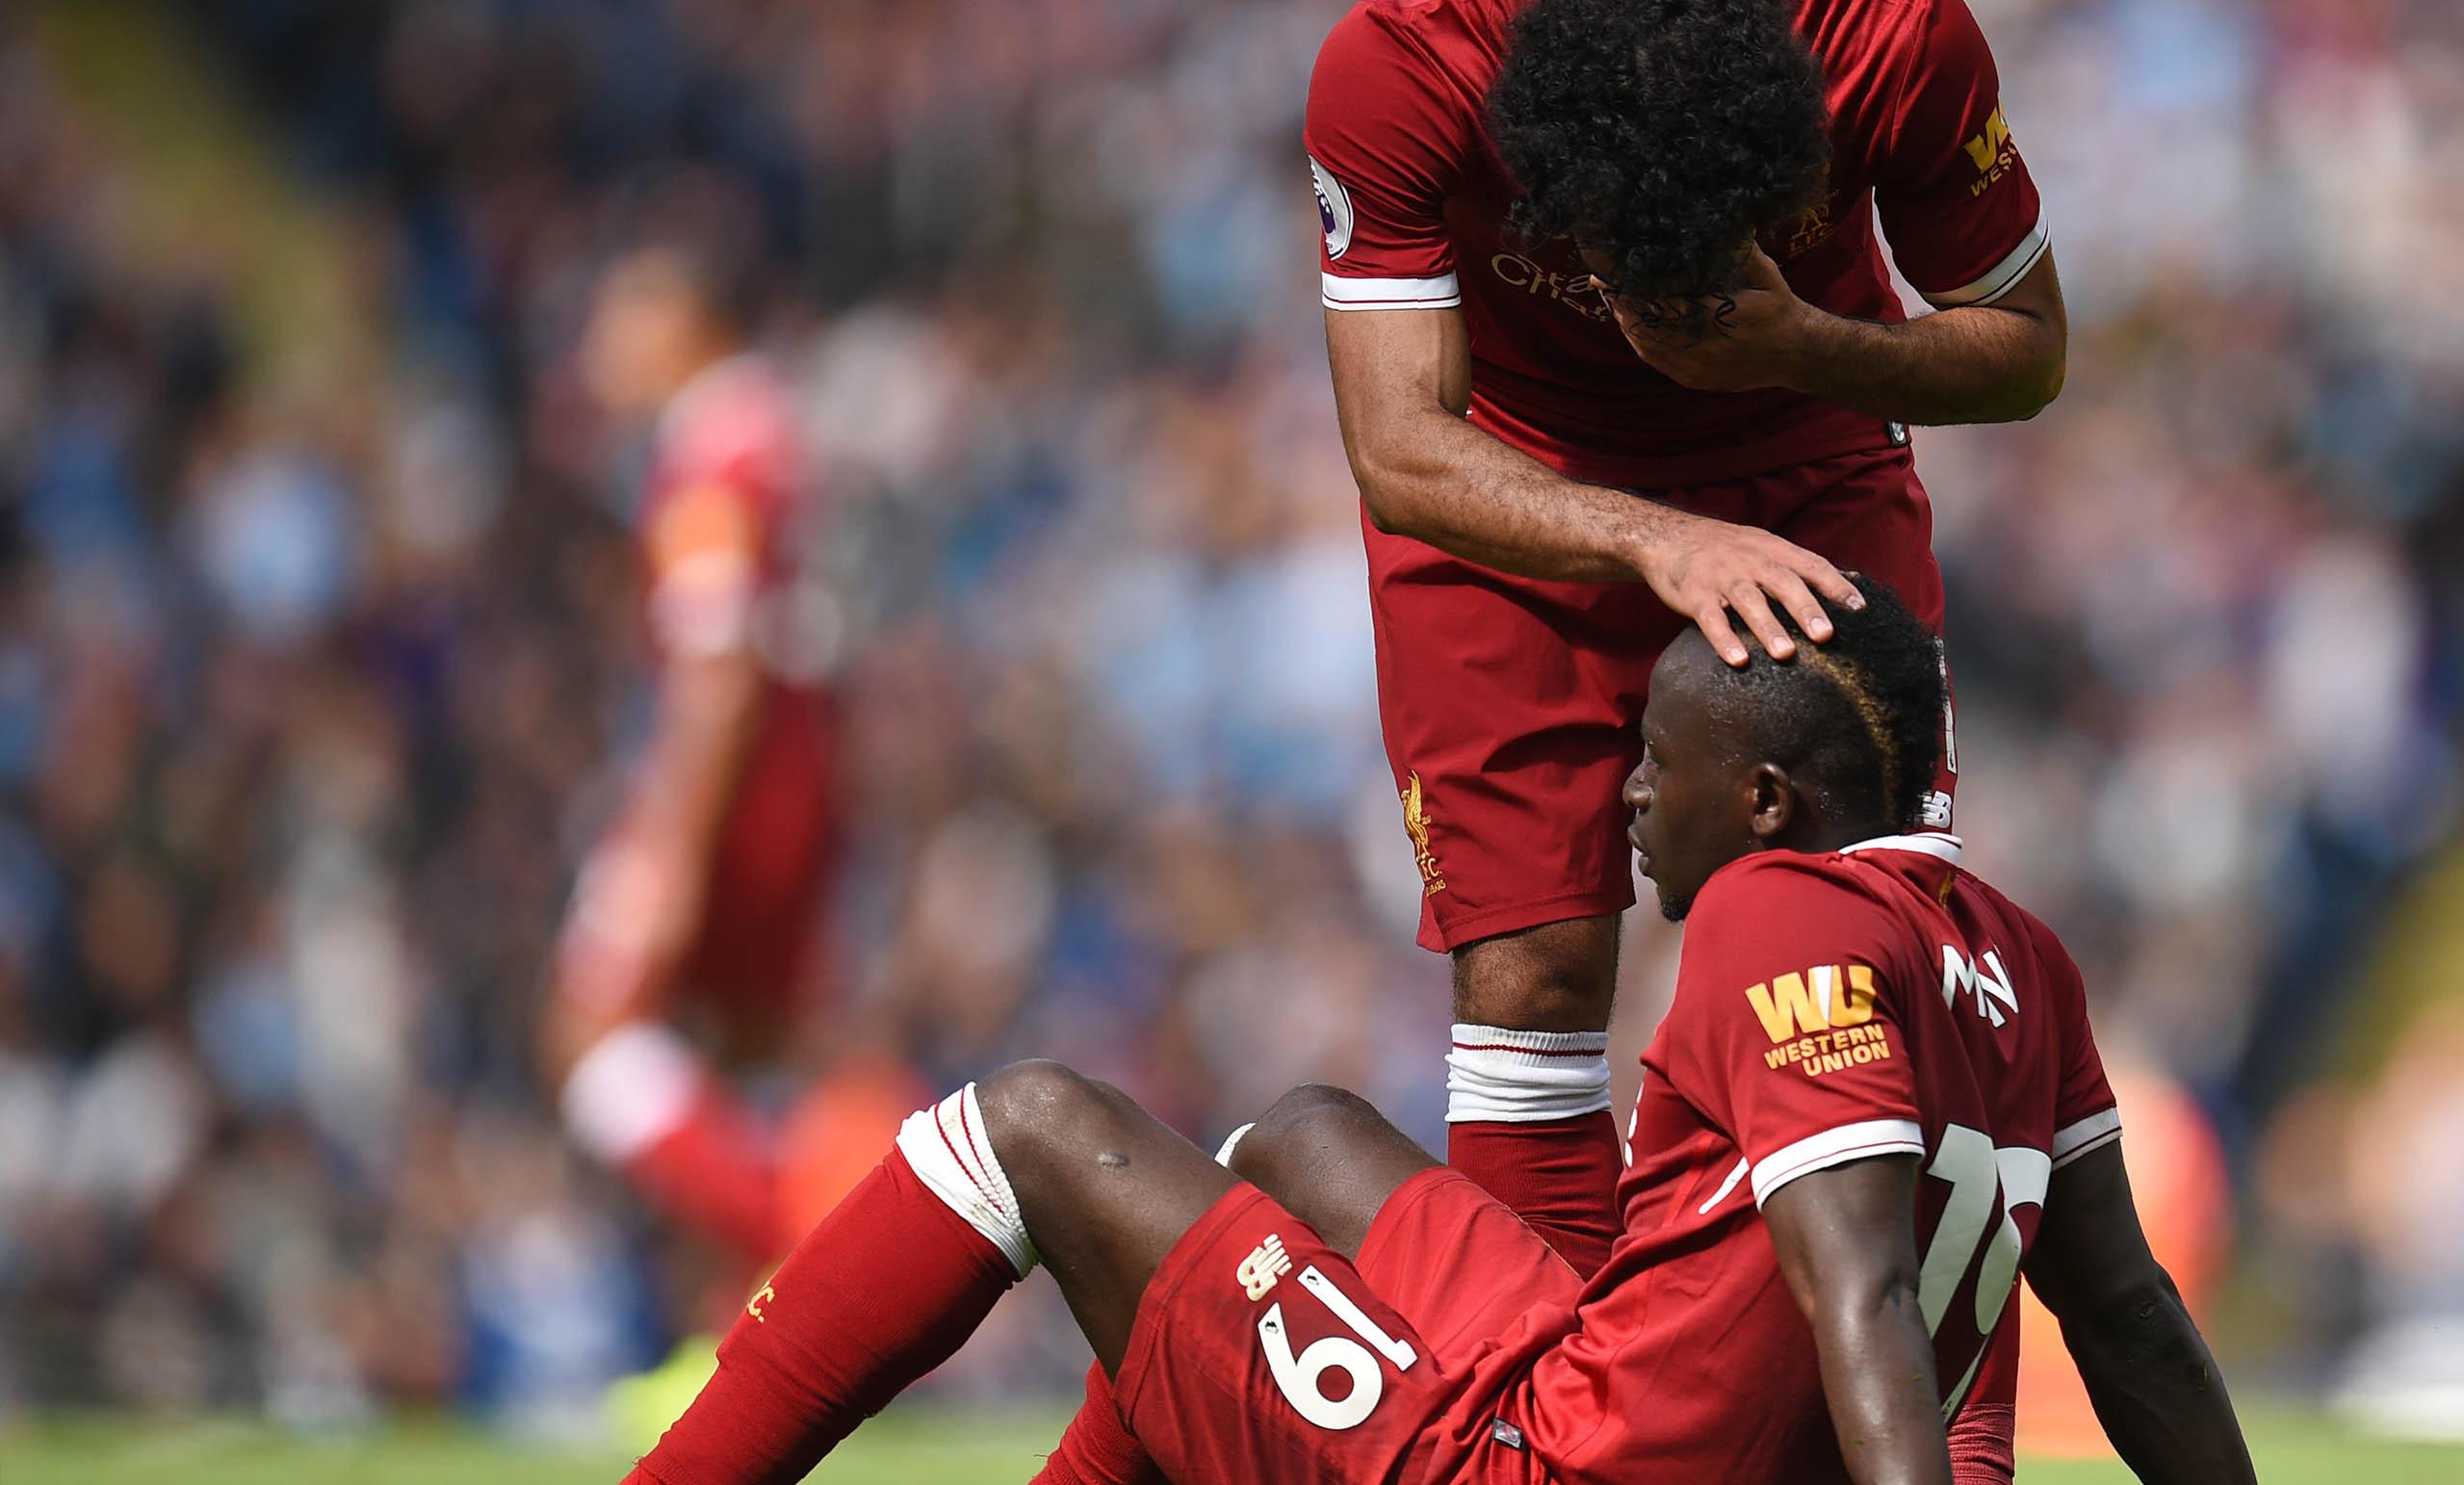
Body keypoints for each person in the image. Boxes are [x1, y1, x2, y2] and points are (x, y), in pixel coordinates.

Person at [621, 584, 2253, 1485]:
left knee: (1030, 1122)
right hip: (1612, 1389)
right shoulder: (2022, 956)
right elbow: (2131, 1319)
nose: (1626, 792)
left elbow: (1865, 1291)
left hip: (1561, 1474)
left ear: (1765, 800)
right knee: (1303, 1137)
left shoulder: (1776, 910)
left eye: (1657, 758)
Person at [1309, 0, 2066, 1280]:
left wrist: (1804, 342)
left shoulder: (1893, 31)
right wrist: (1659, 539)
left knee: (1863, 945)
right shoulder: (1399, 67)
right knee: (1529, 976)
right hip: (1516, 487)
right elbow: (1400, 447)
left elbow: (2026, 347)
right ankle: (1549, 1423)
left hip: (1807, 449)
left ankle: (1876, 1418)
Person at [545, 229, 850, 1276]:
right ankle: (735, 1343)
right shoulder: (774, 432)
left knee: (592, 1033)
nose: (601, 344)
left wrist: (669, 842)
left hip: (739, 782)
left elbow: (715, 667)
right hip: (801, 775)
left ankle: (798, 1252)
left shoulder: (709, 459)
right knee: (737, 1055)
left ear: (689, 324)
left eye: (623, 315)